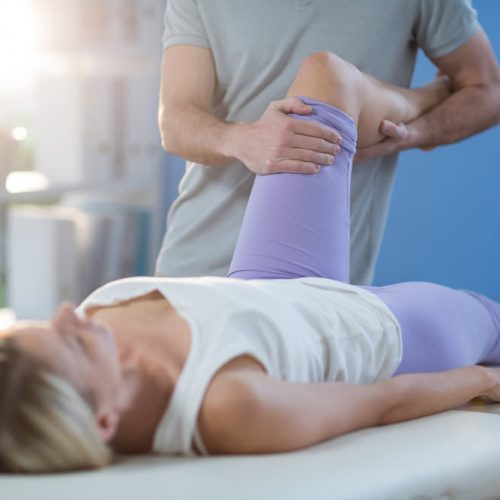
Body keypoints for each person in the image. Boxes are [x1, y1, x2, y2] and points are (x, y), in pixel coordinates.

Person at [1, 52, 500, 473]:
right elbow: (380, 402)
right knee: (489, 322)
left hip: (272, 278)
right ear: (105, 422)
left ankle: (427, 99)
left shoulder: (97, 322)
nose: (69, 312)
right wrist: (483, 380)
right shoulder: (230, 409)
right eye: (71, 341)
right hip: (368, 329)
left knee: (325, 76)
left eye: (48, 324)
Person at [155, 0, 500, 285]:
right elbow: (176, 119)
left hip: (314, 282)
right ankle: (416, 99)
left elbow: (489, 90)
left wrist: (415, 133)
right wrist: (243, 139)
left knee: (332, 76)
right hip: (190, 270)